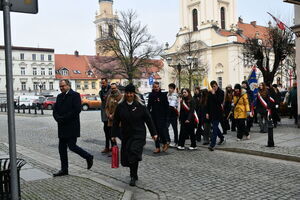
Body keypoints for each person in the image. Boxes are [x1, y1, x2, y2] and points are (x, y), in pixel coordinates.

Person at [111, 84, 158, 187]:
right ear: (125, 94)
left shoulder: (140, 106)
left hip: (139, 134)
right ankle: (134, 174)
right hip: (126, 134)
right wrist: (113, 134)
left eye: (131, 93)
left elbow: (148, 120)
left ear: (134, 94)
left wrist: (154, 133)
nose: (129, 95)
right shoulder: (120, 106)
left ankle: (133, 177)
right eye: (127, 93)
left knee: (133, 151)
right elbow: (116, 121)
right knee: (129, 156)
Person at [52, 79, 93, 177]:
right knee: (61, 148)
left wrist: (64, 118)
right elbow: (55, 110)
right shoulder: (59, 96)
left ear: (68, 85)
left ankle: (88, 156)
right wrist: (58, 118)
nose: (61, 88)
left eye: (63, 86)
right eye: (60, 86)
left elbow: (77, 110)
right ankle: (64, 169)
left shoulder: (75, 95)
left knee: (72, 146)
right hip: (62, 126)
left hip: (71, 125)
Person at [147, 82, 169, 153]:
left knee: (161, 131)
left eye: (157, 87)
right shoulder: (151, 95)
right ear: (153, 87)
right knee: (155, 132)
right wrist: (147, 114)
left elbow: (166, 106)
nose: (156, 88)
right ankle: (157, 147)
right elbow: (149, 106)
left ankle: (165, 143)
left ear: (159, 87)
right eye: (154, 87)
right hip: (154, 116)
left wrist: (166, 116)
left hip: (161, 116)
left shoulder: (163, 95)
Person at [207, 81, 225, 151]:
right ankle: (222, 138)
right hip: (211, 113)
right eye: (212, 87)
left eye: (214, 86)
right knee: (215, 127)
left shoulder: (221, 92)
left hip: (217, 113)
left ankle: (212, 145)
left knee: (214, 129)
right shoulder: (210, 93)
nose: (213, 88)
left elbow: (219, 102)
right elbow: (208, 103)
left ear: (217, 85)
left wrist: (214, 94)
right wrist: (207, 113)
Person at [99, 78, 112, 153]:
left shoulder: (110, 90)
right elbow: (103, 101)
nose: (102, 84)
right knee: (106, 130)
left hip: (110, 113)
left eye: (103, 83)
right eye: (101, 83)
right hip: (104, 113)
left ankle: (114, 148)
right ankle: (107, 147)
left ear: (107, 82)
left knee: (111, 131)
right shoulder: (101, 91)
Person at [167, 83, 179, 147]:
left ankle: (176, 141)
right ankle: (168, 140)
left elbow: (172, 105)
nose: (170, 89)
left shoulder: (175, 95)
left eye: (171, 88)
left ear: (174, 89)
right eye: (169, 88)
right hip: (168, 114)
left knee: (175, 129)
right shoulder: (167, 95)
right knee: (166, 128)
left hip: (173, 114)